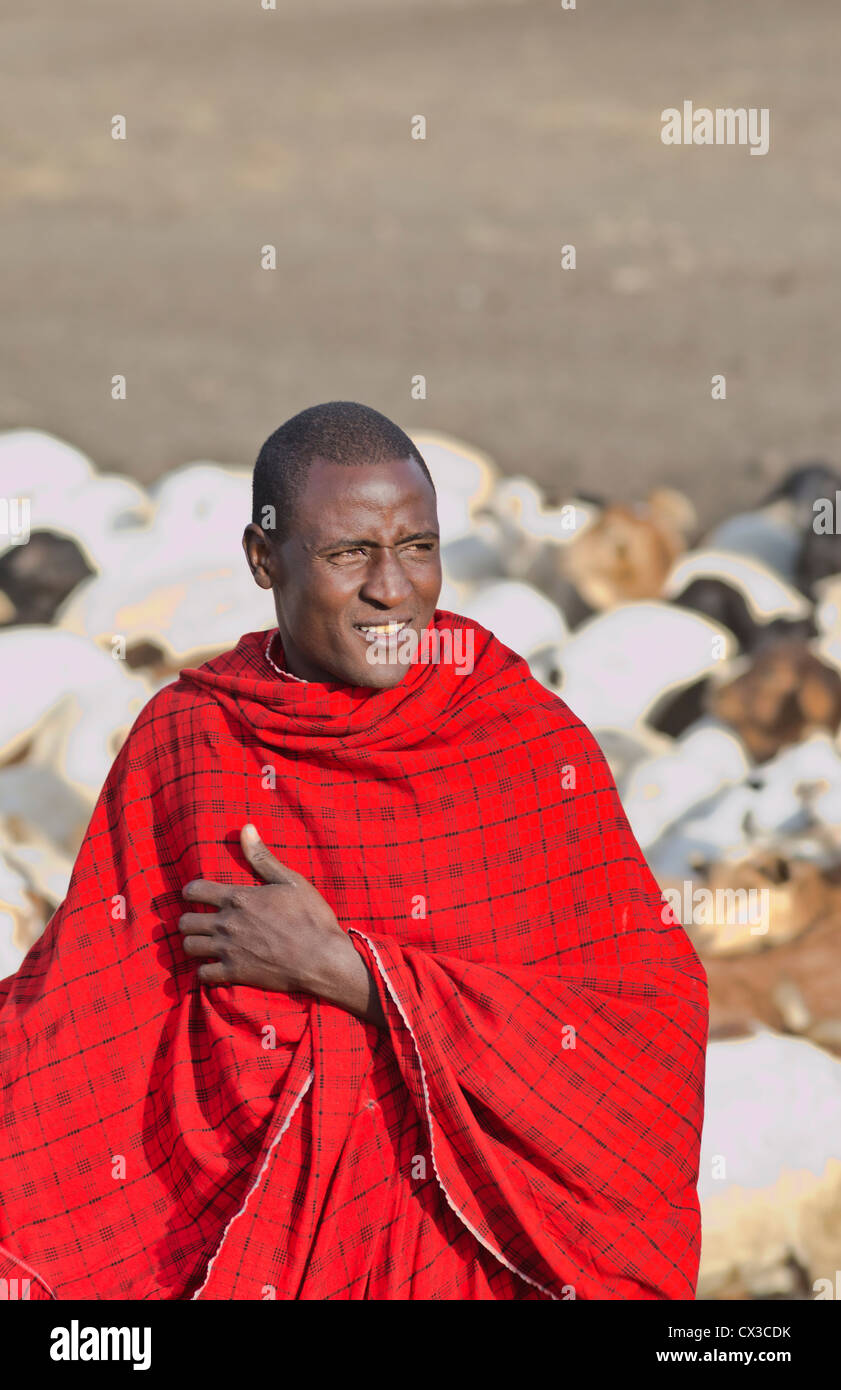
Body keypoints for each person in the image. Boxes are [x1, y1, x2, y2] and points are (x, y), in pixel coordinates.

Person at [0, 402, 708, 1300]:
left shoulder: (519, 740)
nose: (393, 588)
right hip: (230, 1240)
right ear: (264, 561)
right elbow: (87, 1009)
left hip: (469, 1261)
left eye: (418, 546)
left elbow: (646, 1028)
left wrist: (352, 975)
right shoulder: (194, 738)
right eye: (348, 555)